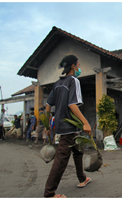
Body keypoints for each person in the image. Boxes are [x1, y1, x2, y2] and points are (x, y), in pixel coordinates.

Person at [43, 54, 92, 198]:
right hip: (69, 126)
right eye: (79, 64)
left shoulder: (58, 83)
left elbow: (47, 105)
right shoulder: (73, 80)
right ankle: (49, 193)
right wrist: (85, 122)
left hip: (63, 126)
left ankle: (82, 178)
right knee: (61, 158)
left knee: (78, 151)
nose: (80, 67)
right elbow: (72, 105)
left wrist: (47, 125)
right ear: (73, 66)